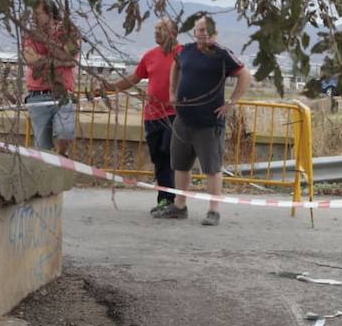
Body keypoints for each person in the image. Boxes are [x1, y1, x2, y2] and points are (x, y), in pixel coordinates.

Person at [156, 14, 250, 227]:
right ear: (194, 32)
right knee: (180, 165)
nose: (204, 32)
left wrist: (232, 102)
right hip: (183, 118)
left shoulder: (222, 54)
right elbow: (176, 66)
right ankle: (179, 206)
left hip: (209, 121)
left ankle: (213, 210)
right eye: (200, 29)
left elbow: (245, 75)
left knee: (211, 168)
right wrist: (172, 92)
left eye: (209, 29)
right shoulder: (186, 51)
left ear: (215, 33)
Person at [107, 18, 181, 217]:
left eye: (161, 29)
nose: (156, 32)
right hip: (152, 115)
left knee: (168, 154)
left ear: (173, 32)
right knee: (158, 157)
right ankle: (164, 200)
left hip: (175, 115)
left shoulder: (184, 54)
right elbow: (133, 79)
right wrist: (107, 87)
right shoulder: (149, 56)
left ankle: (172, 201)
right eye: (155, 29)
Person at [22, 0, 80, 155]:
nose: (33, 17)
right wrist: (59, 60)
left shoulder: (68, 32)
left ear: (51, 14)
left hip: (63, 93)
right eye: (32, 14)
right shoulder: (30, 35)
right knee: (42, 146)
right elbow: (31, 60)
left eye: (38, 13)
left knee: (66, 131)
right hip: (38, 95)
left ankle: (62, 154)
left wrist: (46, 41)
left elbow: (70, 57)